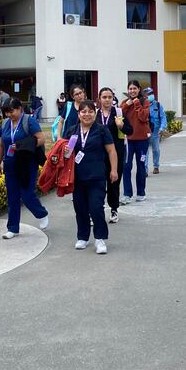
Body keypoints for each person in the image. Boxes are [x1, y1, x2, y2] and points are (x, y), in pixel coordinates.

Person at [63, 99, 118, 254]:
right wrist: (66, 151)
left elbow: (111, 151)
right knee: (80, 208)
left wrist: (113, 170)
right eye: (83, 111)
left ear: (95, 113)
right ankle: (83, 237)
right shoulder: (72, 130)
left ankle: (100, 239)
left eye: (90, 111)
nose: (87, 114)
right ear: (79, 114)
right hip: (77, 177)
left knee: (96, 208)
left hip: (97, 176)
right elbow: (65, 154)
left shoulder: (101, 130)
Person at [0, 98, 49, 239]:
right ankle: (13, 228)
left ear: (20, 109)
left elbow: (41, 139)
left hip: (27, 164)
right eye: (6, 112)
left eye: (11, 111)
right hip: (10, 164)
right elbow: (1, 145)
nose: (9, 115)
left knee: (26, 194)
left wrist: (21, 145)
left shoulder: (28, 121)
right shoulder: (5, 123)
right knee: (12, 197)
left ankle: (41, 213)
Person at [98, 87, 133, 223]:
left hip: (116, 154)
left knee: (114, 182)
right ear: (99, 99)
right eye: (104, 97)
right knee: (99, 183)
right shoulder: (94, 114)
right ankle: (98, 209)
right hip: (99, 155)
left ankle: (114, 209)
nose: (107, 100)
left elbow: (130, 131)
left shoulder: (119, 112)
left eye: (109, 97)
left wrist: (121, 126)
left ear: (113, 99)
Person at [119, 80, 151, 203]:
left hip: (142, 140)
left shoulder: (145, 101)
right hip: (128, 140)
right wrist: (127, 104)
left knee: (141, 166)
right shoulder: (124, 103)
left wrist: (137, 103)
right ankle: (127, 194)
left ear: (139, 89)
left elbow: (143, 117)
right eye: (130, 89)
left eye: (134, 89)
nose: (132, 91)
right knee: (126, 166)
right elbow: (118, 114)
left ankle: (141, 193)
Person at [143, 87, 167, 174]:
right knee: (145, 151)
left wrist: (162, 128)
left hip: (155, 132)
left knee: (156, 150)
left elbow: (163, 117)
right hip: (145, 132)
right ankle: (144, 169)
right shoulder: (142, 105)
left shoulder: (158, 105)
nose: (150, 96)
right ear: (145, 96)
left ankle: (156, 166)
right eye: (148, 94)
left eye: (151, 94)